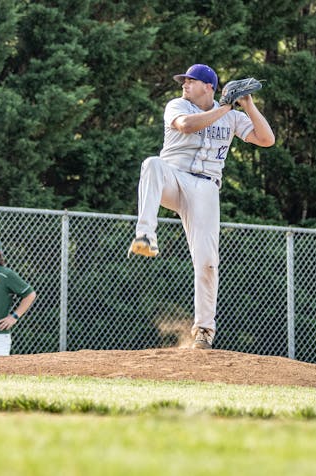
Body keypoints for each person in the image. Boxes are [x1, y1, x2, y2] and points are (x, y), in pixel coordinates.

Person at [128, 64, 275, 349]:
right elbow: (186, 125)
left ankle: (204, 331)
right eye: (184, 80)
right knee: (151, 164)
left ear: (208, 86)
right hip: (173, 178)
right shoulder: (177, 105)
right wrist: (224, 106)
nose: (184, 84)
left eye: (191, 81)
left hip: (206, 188)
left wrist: (247, 104)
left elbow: (267, 139)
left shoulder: (232, 117)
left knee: (207, 262)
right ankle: (145, 235)